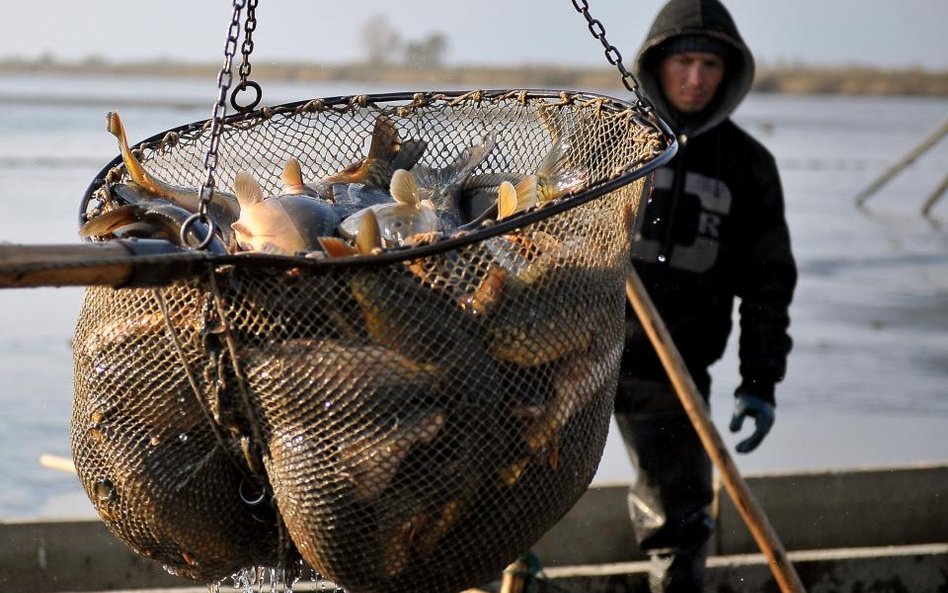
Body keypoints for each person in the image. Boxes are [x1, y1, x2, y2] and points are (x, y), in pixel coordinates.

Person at [614, 0, 798, 591]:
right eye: (684, 62)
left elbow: (769, 285)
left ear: (730, 74)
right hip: (576, 355)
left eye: (710, 66)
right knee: (510, 498)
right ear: (657, 66)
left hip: (672, 376)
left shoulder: (749, 165)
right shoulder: (615, 145)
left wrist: (760, 381)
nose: (695, 79)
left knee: (680, 523)